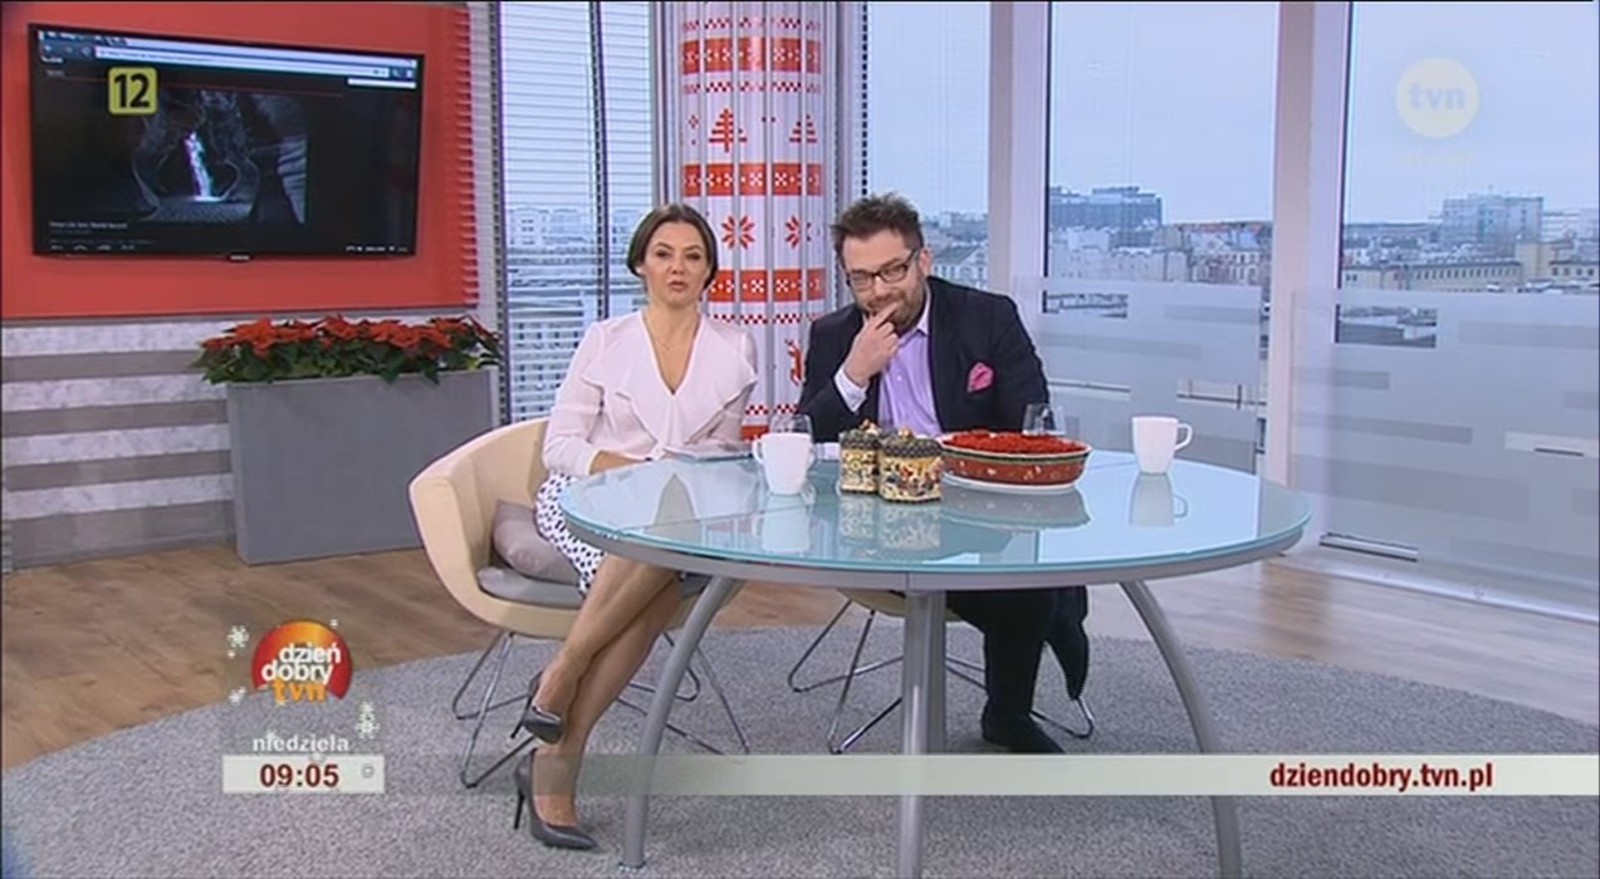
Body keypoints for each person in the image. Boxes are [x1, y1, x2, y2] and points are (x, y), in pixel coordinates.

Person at [798, 192, 1091, 754]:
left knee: (1021, 576)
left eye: (893, 270)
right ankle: (1049, 635)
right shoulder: (835, 336)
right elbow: (807, 440)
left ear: (923, 261)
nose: (879, 290)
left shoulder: (987, 318)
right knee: (1030, 595)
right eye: (861, 278)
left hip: (981, 510)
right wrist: (854, 374)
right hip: (878, 527)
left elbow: (1031, 422)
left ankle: (1014, 697)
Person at [518, 203, 759, 849]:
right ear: (640, 265)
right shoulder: (606, 339)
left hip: (681, 512)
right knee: (651, 588)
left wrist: (671, 482)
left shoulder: (735, 347)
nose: (678, 267)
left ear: (709, 271)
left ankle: (558, 693)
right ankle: (559, 728)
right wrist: (638, 472)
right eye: (663, 254)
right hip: (587, 499)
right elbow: (560, 447)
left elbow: (722, 453)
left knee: (660, 542)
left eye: (693, 256)